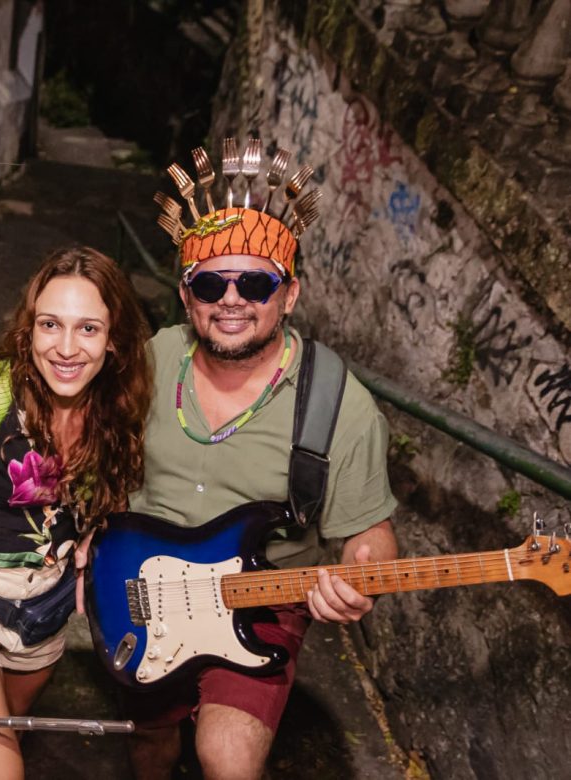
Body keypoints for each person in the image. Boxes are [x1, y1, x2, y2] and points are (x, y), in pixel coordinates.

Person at [124, 144, 399, 780]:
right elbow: (61, 405)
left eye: (255, 282)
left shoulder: (338, 404)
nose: (231, 300)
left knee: (225, 756)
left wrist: (364, 577)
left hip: (262, 597)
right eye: (209, 284)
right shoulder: (149, 361)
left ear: (290, 292)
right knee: (147, 743)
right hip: (142, 588)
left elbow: (369, 533)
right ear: (186, 295)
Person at [0, 246, 152, 778]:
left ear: (113, 340)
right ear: (29, 329)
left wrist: (91, 542)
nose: (65, 348)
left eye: (88, 329)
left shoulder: (119, 405)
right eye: (50, 325)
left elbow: (108, 492)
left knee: (9, 728)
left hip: (47, 607)